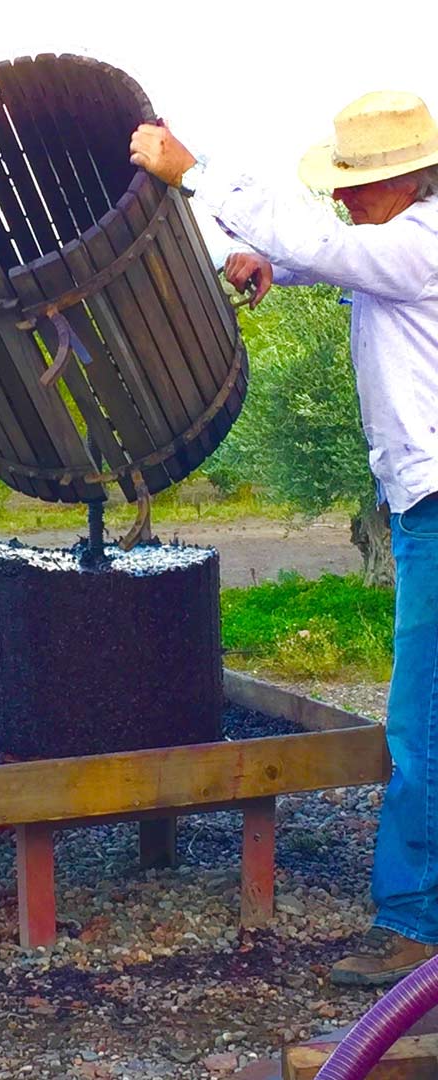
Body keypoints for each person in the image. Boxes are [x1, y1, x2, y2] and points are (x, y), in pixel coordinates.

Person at [130, 91, 438, 988]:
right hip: (423, 503)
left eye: (360, 185)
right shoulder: (405, 245)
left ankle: (414, 924)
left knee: (421, 722)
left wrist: (194, 173)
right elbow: (333, 260)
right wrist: (260, 260)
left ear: (409, 180)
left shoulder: (421, 242)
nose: (345, 199)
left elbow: (339, 250)